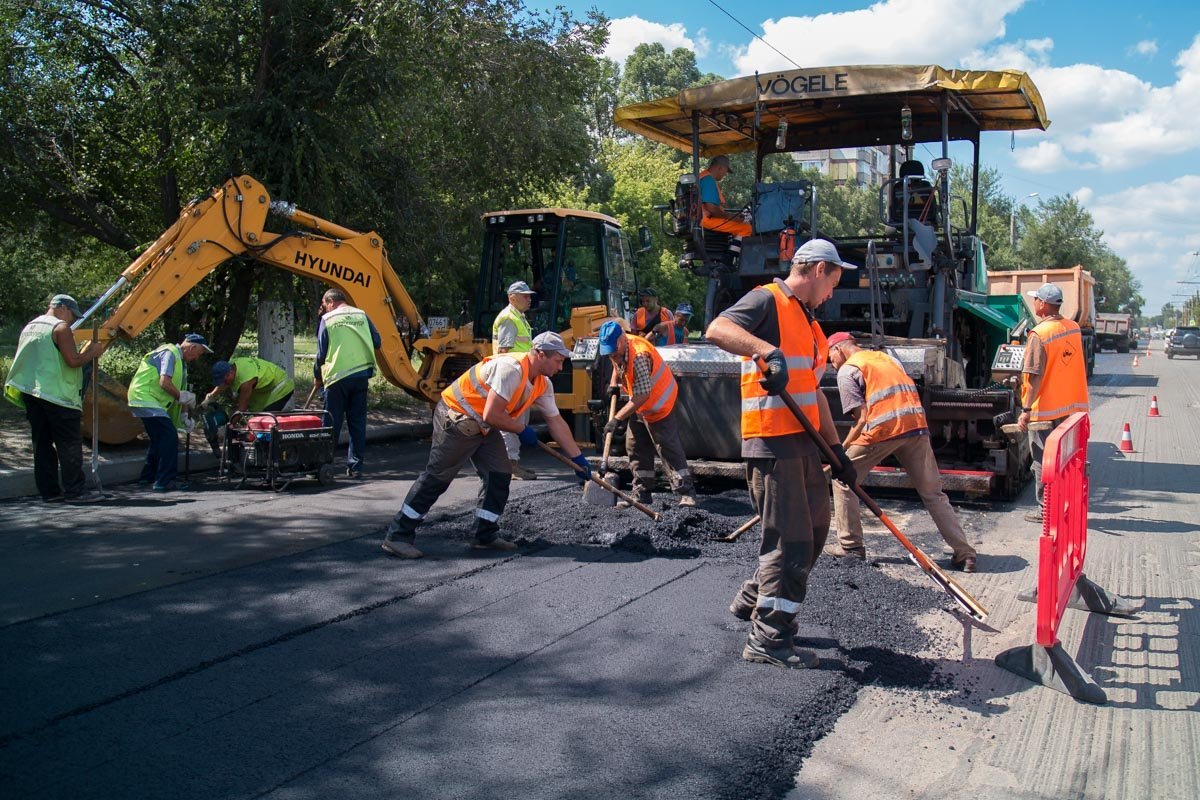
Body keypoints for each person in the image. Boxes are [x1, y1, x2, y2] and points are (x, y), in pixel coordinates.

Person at [705, 239, 857, 670]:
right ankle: (769, 638)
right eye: (833, 280)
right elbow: (717, 329)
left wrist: (837, 452)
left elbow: (814, 395)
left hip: (805, 445)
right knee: (790, 542)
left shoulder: (811, 326)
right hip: (772, 443)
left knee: (814, 532)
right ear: (815, 269)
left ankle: (756, 597)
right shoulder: (767, 300)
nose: (833, 292)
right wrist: (763, 351)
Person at [380, 332, 591, 559]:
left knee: (499, 473)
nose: (561, 367)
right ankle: (398, 536)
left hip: (483, 424)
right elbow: (492, 414)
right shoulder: (511, 370)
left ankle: (485, 534)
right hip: (458, 417)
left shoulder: (542, 383)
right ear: (540, 354)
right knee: (438, 477)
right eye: (558, 361)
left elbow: (556, 421)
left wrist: (577, 459)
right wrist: (521, 429)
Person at [823, 332, 977, 572]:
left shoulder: (848, 371)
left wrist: (840, 452)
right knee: (933, 493)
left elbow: (861, 419)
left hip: (883, 430)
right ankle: (965, 553)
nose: (830, 362)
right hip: (916, 427)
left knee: (843, 479)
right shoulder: (886, 359)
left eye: (829, 355)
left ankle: (851, 547)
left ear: (839, 349)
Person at [4, 294, 110, 502]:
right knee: (68, 444)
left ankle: (50, 492)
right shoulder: (60, 328)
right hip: (58, 395)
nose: (71, 320)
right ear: (61, 308)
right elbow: (73, 360)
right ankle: (75, 492)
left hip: (32, 392)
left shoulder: (31, 326)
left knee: (42, 444)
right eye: (72, 314)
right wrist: (93, 351)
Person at [597, 321, 697, 508]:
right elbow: (616, 363)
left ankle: (686, 492)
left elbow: (643, 395)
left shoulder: (640, 355)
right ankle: (642, 493)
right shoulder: (616, 348)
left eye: (613, 351)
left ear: (621, 340)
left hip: (659, 403)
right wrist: (613, 384)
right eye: (609, 352)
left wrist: (617, 418)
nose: (612, 355)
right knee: (635, 446)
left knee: (667, 447)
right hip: (640, 405)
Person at [1017, 283, 1089, 522]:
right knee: (1066, 461)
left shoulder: (1040, 334)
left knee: (1042, 461)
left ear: (1044, 304)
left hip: (1045, 411)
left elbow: (1035, 376)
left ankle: (1045, 510)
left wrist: (1026, 410)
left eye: (1036, 299)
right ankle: (1065, 505)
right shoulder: (1074, 328)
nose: (1034, 302)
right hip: (1071, 409)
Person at [126, 332, 211, 491]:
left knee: (160, 439)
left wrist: (185, 415)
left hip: (147, 399)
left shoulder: (181, 362)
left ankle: (148, 477)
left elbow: (181, 393)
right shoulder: (170, 353)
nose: (197, 358)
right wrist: (181, 396)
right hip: (145, 397)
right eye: (198, 354)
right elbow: (165, 382)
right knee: (168, 436)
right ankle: (164, 481)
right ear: (192, 347)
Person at [314, 288, 381, 479]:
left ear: (330, 302)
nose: (325, 309)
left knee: (331, 423)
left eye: (324, 305)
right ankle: (356, 467)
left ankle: (325, 464)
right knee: (357, 423)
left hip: (337, 377)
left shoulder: (328, 319)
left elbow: (321, 353)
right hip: (361, 376)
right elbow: (377, 341)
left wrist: (317, 375)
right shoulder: (361, 315)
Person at [492, 280, 538, 480]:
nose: (529, 299)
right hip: (512, 377)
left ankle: (513, 463)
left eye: (529, 296)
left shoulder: (519, 317)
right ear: (512, 297)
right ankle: (509, 465)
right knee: (511, 422)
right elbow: (503, 352)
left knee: (518, 420)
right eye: (525, 296)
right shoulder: (509, 318)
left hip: (519, 377)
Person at [202, 357, 295, 413]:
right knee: (254, 415)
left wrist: (229, 426)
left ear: (230, 373)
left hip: (281, 385)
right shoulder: (232, 365)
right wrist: (210, 397)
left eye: (224, 380)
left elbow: (242, 409)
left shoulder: (245, 381)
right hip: (265, 387)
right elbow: (224, 384)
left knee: (265, 418)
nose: (224, 383)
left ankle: (270, 443)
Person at [698, 154, 753, 239]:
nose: (725, 175)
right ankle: (733, 252)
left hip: (701, 219)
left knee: (737, 225)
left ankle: (731, 247)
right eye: (725, 171)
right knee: (746, 228)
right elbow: (711, 208)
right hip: (706, 221)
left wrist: (731, 216)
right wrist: (730, 217)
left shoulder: (702, 176)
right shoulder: (708, 181)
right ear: (720, 168)